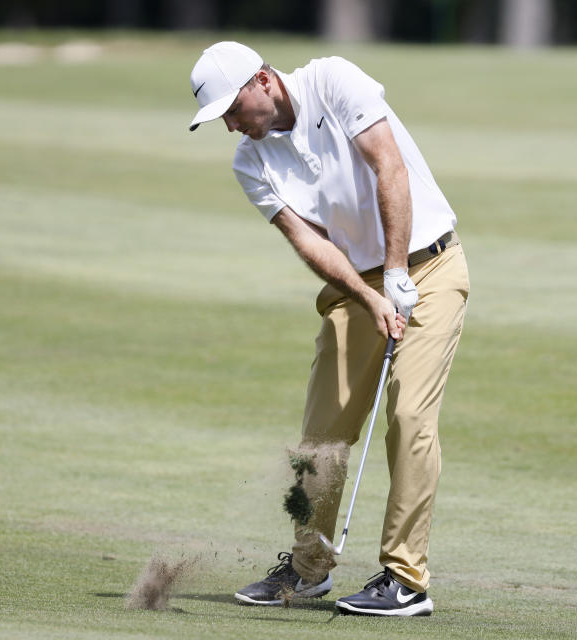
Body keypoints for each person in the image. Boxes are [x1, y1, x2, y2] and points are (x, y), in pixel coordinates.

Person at [187, 41, 469, 617]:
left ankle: (405, 579)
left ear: (263, 80)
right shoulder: (251, 160)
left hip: (430, 264)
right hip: (357, 286)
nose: (232, 126)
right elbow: (307, 240)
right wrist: (369, 295)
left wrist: (395, 272)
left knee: (411, 416)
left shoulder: (334, 81)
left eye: (233, 110)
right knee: (320, 435)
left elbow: (387, 164)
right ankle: (308, 568)